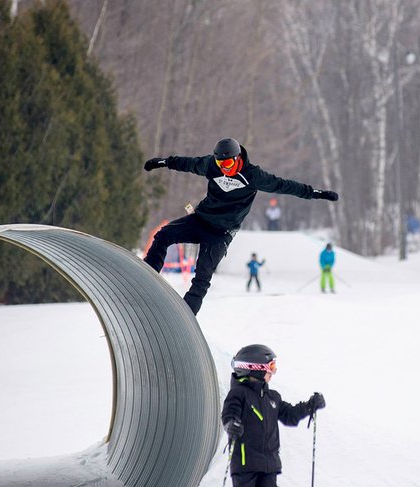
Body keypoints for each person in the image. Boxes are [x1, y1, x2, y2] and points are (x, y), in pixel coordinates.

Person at [143, 137, 338, 315]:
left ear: (238, 159)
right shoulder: (212, 165)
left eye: (227, 163)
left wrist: (315, 193)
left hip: (220, 234)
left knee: (202, 276)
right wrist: (163, 162)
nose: (224, 168)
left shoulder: (253, 175)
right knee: (164, 235)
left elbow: (284, 185)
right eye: (220, 163)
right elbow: (188, 163)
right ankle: (145, 278)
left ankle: (183, 317)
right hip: (200, 219)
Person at [221, 344, 326, 487]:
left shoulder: (272, 398)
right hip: (246, 467)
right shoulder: (239, 394)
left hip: (269, 467)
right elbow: (230, 413)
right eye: (271, 367)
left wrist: (310, 406)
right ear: (256, 368)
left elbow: (290, 415)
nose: (273, 372)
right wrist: (231, 424)